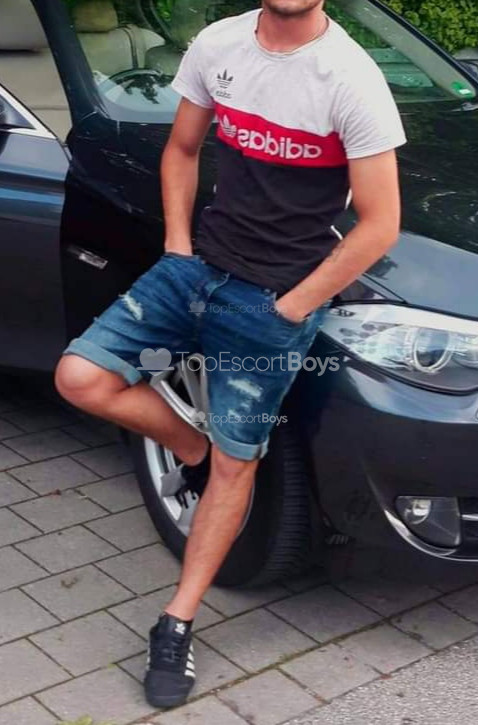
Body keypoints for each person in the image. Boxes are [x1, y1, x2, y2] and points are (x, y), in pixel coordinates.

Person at [55, 0, 406, 709]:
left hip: (271, 302)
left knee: (237, 462)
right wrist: (177, 246)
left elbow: (380, 225)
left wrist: (294, 306)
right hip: (195, 270)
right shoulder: (219, 44)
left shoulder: (351, 78)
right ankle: (192, 445)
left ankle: (177, 621)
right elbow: (181, 149)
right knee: (79, 376)